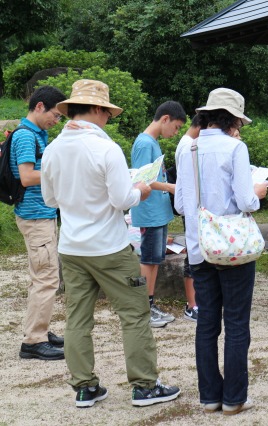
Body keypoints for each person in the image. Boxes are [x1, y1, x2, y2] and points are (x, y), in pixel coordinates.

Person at [40, 79, 181, 407]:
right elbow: (123, 199)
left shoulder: (53, 149)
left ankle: (84, 387)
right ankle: (145, 385)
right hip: (110, 247)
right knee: (134, 313)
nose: (108, 118)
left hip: (72, 247)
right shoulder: (105, 149)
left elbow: (50, 199)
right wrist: (142, 191)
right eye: (107, 112)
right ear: (99, 110)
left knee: (77, 318)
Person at [175, 87, 268, 415]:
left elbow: (180, 203)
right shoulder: (235, 148)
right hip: (232, 247)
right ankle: (234, 398)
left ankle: (210, 396)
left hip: (200, 247)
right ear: (232, 120)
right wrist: (258, 192)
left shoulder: (188, 149)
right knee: (238, 322)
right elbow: (245, 201)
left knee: (207, 323)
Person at [10, 86, 67, 361]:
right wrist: (59, 170)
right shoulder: (25, 137)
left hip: (40, 214)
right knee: (46, 278)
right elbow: (26, 177)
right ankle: (34, 341)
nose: (56, 121)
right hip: (35, 216)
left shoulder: (35, 134)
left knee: (41, 277)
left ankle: (39, 330)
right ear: (40, 106)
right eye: (55, 115)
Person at [130, 101, 186, 327]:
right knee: (149, 259)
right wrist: (172, 187)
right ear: (165, 119)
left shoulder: (151, 142)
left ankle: (150, 304)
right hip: (149, 211)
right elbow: (143, 180)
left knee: (154, 259)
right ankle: (144, 307)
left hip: (158, 212)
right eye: (177, 126)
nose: (176, 131)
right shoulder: (144, 143)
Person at [172, 115, 201, 322]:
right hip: (191, 211)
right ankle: (191, 305)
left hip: (191, 209)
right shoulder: (188, 146)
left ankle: (196, 302)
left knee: (196, 256)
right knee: (193, 257)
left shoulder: (187, 143)